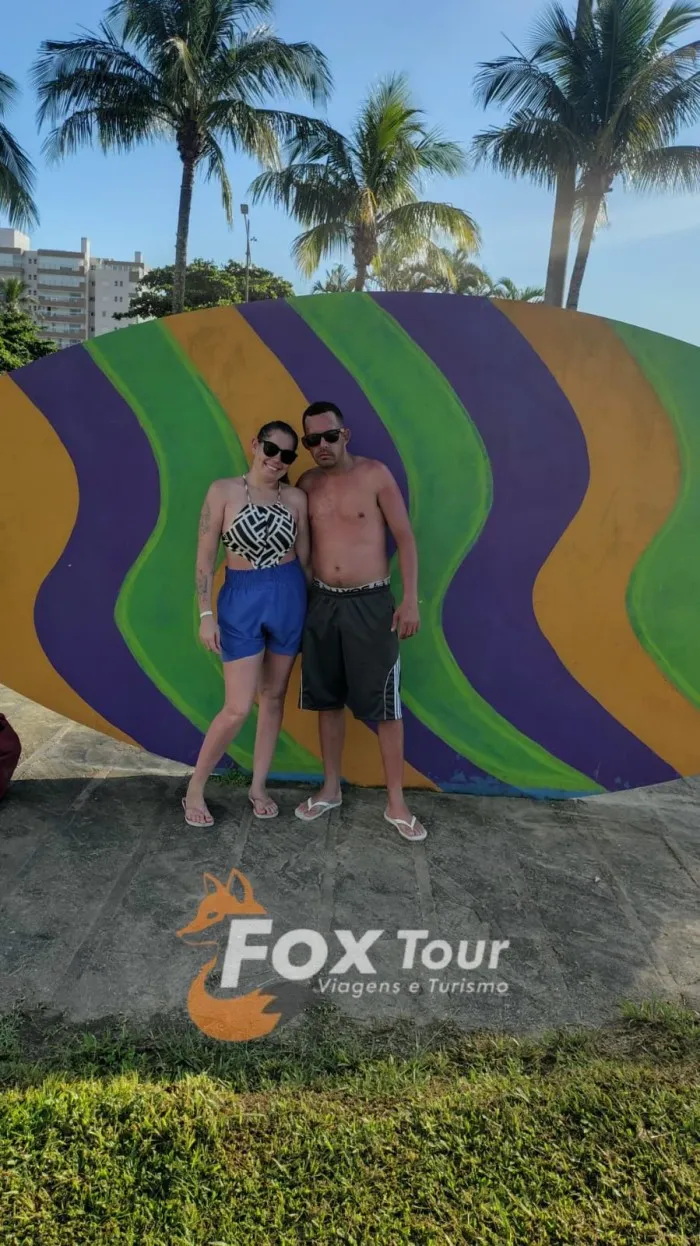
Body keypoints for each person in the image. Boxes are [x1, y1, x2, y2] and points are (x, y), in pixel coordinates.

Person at [294, 400, 427, 842]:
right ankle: (330, 788)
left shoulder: (375, 474)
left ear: (344, 435)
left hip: (371, 603)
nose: (322, 445)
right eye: (312, 440)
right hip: (322, 604)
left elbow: (405, 538)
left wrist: (410, 601)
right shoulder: (307, 484)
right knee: (327, 700)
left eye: (329, 436)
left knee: (386, 706)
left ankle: (396, 801)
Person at [183, 420, 310, 828]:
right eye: (271, 449)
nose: (277, 460)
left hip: (288, 597)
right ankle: (195, 787)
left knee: (273, 697)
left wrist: (311, 608)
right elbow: (205, 559)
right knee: (237, 707)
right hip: (240, 599)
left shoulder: (296, 498)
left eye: (287, 455)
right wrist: (206, 615)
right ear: (256, 445)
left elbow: (305, 559)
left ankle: (258, 786)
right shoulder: (223, 491)